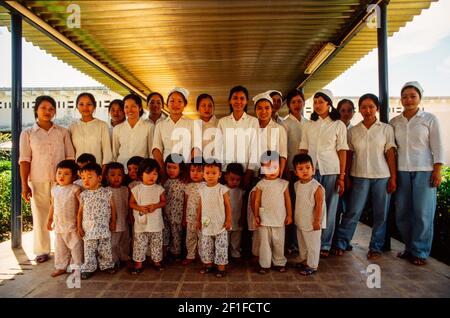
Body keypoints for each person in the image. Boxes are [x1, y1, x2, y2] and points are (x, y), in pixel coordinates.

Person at [333, 94, 397, 259]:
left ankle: (375, 247)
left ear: (377, 108)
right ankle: (341, 243)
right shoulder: (353, 131)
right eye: (364, 107)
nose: (367, 110)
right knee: (353, 211)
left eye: (371, 107)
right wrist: (345, 176)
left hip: (382, 176)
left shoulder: (386, 129)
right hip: (359, 176)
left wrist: (393, 177)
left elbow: (390, 154)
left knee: (380, 214)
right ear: (359, 109)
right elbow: (348, 155)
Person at [390, 81, 445, 266]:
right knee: (403, 213)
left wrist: (437, 170)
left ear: (420, 97)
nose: (408, 100)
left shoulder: (429, 119)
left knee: (423, 213)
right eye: (405, 96)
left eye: (413, 96)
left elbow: (438, 146)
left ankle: (420, 252)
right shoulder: (395, 122)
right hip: (402, 171)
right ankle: (409, 248)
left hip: (425, 171)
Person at [19, 95, 75, 263]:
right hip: (38, 180)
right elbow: (24, 160)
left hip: (62, 182)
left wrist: (70, 180)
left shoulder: (63, 132)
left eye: (51, 109)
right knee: (41, 215)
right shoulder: (28, 133)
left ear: (55, 112)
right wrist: (24, 185)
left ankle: (69, 248)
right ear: (36, 110)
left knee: (66, 215)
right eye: (43, 108)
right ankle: (42, 250)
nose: (47, 112)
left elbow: (70, 157)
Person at [299, 89, 348, 258]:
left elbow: (342, 151)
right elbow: (303, 148)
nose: (318, 105)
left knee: (330, 207)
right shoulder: (308, 124)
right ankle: (310, 242)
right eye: (315, 102)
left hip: (331, 170)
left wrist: (342, 176)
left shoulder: (338, 125)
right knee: (309, 207)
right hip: (310, 172)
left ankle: (325, 245)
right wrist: (299, 170)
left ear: (329, 104)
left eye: (321, 102)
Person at [254, 151, 292, 274]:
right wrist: (256, 215)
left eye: (275, 167)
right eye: (268, 167)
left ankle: (279, 262)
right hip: (264, 218)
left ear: (280, 167)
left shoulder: (283, 184)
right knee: (264, 243)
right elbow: (257, 201)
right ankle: (264, 264)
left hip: (279, 218)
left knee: (279, 242)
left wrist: (290, 215)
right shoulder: (261, 184)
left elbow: (287, 201)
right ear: (262, 168)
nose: (271, 171)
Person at [77, 162, 116, 279]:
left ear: (99, 178)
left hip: (104, 226)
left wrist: (113, 222)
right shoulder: (83, 195)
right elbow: (79, 212)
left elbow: (113, 209)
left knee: (105, 248)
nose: (86, 180)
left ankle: (107, 265)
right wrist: (79, 226)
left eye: (89, 177)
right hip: (89, 228)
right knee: (89, 249)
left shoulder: (107, 192)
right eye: (83, 178)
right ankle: (89, 268)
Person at [217, 85, 259, 188]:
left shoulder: (253, 121)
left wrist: (249, 173)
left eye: (242, 98)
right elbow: (218, 148)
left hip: (246, 172)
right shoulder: (222, 122)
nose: (238, 101)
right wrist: (222, 172)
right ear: (229, 101)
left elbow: (255, 148)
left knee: (244, 202)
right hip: (226, 172)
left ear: (246, 101)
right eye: (235, 98)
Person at [129, 159, 166, 273]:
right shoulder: (136, 189)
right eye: (148, 173)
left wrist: (156, 206)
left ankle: (156, 261)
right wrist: (139, 208)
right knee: (140, 244)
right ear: (141, 174)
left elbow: (164, 202)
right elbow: (131, 203)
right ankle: (138, 263)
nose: (152, 176)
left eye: (155, 174)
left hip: (156, 223)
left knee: (156, 243)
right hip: (141, 223)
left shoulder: (159, 189)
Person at [46, 160, 82, 277]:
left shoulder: (75, 189)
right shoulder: (54, 189)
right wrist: (49, 219)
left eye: (66, 174)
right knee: (60, 247)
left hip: (72, 224)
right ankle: (61, 266)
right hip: (59, 224)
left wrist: (80, 223)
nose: (61, 176)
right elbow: (52, 205)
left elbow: (82, 206)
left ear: (74, 176)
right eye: (59, 173)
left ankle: (77, 267)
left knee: (76, 246)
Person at [197, 159, 232, 278]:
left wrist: (228, 220)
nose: (210, 176)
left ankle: (221, 268)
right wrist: (198, 220)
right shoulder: (201, 189)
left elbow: (228, 206)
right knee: (206, 245)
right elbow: (200, 205)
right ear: (203, 174)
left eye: (213, 173)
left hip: (220, 224)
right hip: (206, 223)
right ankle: (208, 265)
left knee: (221, 246)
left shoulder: (222, 189)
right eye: (207, 173)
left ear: (220, 174)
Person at [292, 154, 326, 275]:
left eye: (307, 167)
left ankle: (312, 265)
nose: (304, 171)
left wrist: (317, 220)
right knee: (302, 242)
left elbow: (319, 205)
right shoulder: (297, 185)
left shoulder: (316, 187)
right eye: (300, 169)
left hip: (313, 222)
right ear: (295, 172)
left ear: (313, 169)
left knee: (313, 244)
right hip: (301, 220)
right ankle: (304, 259)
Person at [152, 87, 194, 177]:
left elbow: (195, 148)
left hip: (186, 170)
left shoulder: (192, 124)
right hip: (166, 170)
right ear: (167, 104)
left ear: (185, 104)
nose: (176, 104)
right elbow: (156, 149)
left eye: (179, 101)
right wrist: (163, 168)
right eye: (172, 101)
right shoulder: (160, 125)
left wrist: (188, 169)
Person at [69, 92, 112, 167]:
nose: (85, 107)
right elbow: (71, 153)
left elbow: (107, 153)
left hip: (96, 171)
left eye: (89, 104)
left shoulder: (102, 125)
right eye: (81, 104)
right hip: (78, 172)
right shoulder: (72, 127)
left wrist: (101, 174)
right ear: (77, 106)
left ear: (94, 106)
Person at [112, 94, 154, 168]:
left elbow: (151, 152)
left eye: (133, 106)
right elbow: (114, 154)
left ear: (140, 108)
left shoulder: (149, 127)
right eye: (126, 107)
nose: (130, 110)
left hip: (141, 170)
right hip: (122, 170)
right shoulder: (117, 129)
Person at [253, 91, 288, 177]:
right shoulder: (251, 128)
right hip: (254, 173)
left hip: (272, 173)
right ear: (255, 110)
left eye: (267, 108)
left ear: (271, 109)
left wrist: (280, 174)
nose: (263, 111)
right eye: (259, 108)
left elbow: (283, 154)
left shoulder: (279, 129)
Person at [105, 162, 131, 268]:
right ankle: (114, 260)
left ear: (123, 176)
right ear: (106, 176)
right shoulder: (105, 191)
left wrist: (129, 216)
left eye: (119, 175)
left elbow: (128, 204)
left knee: (125, 240)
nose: (116, 178)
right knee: (113, 242)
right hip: (113, 222)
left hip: (124, 220)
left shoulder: (125, 189)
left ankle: (124, 257)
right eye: (112, 175)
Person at [182, 157, 204, 265]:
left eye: (199, 171)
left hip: (203, 218)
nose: (195, 173)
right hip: (190, 217)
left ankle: (202, 255)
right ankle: (190, 255)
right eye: (192, 170)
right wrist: (184, 218)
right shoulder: (188, 186)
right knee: (190, 237)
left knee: (202, 237)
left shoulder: (206, 186)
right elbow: (185, 203)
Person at [163, 153, 186, 260]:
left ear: (180, 169)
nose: (171, 170)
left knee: (177, 234)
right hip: (166, 214)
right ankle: (164, 253)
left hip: (178, 215)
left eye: (174, 167)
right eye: (169, 167)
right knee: (166, 234)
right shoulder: (165, 182)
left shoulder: (184, 183)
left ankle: (176, 254)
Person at [224, 163, 245, 259]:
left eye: (238, 180)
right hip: (225, 221)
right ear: (226, 177)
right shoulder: (222, 190)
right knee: (225, 239)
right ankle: (224, 255)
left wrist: (242, 218)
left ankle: (235, 253)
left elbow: (243, 206)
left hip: (237, 219)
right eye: (232, 179)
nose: (235, 182)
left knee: (236, 239)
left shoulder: (241, 191)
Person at [196, 93, 219, 158]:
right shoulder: (193, 126)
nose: (207, 108)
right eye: (203, 105)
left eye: (210, 106)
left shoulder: (220, 124)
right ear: (197, 109)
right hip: (199, 164)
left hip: (218, 163)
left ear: (214, 108)